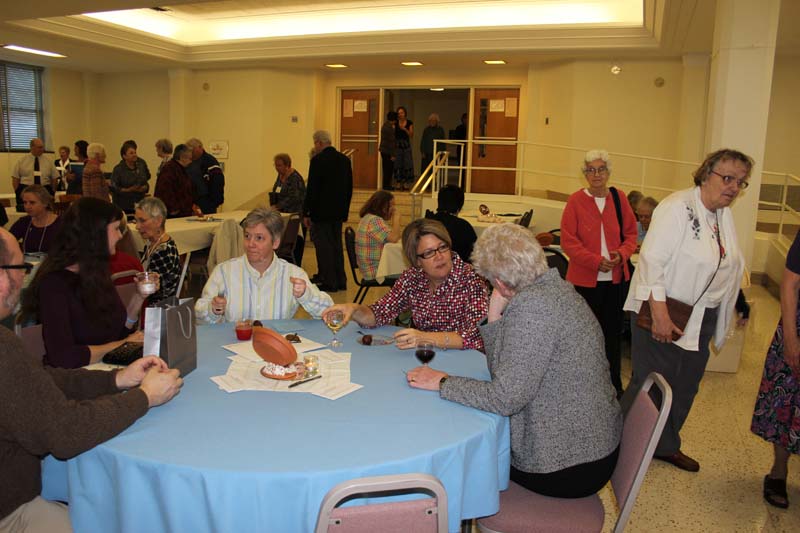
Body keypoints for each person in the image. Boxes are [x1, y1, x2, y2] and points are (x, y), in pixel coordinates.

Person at [406, 224, 621, 498]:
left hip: (568, 464)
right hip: (591, 444)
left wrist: (443, 382)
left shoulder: (532, 308)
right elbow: (504, 373)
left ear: (500, 282)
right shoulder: (557, 288)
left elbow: (504, 399)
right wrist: (494, 316)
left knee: (462, 461)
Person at [0, 226, 183, 532]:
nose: (23, 276)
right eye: (21, 267)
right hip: (11, 510)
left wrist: (116, 380)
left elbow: (37, 380)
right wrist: (144, 397)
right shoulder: (5, 345)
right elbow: (65, 432)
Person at [622, 148, 750, 472]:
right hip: (665, 309)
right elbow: (651, 261)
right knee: (651, 383)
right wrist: (660, 314)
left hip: (702, 315)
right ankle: (616, 442)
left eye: (740, 182)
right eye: (728, 178)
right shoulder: (677, 207)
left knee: (686, 384)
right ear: (706, 174)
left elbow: (727, 265)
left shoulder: (723, 215)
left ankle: (665, 445)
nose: (734, 187)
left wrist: (736, 305)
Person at [21, 198, 150, 368]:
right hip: (74, 377)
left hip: (102, 368)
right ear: (96, 233)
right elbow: (63, 357)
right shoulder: (54, 284)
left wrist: (139, 297)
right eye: (116, 228)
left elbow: (118, 332)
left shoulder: (95, 273)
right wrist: (123, 344)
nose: (120, 235)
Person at [322, 218, 488, 351]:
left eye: (443, 247)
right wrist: (354, 309)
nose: (439, 256)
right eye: (429, 253)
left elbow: (477, 336)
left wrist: (425, 337)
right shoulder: (413, 278)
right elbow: (380, 312)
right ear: (416, 260)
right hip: (425, 355)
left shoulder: (471, 279)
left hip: (463, 358)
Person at [561, 149, 637, 396]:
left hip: (615, 281)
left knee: (612, 336)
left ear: (608, 172)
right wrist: (595, 261)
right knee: (584, 336)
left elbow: (631, 235)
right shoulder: (575, 201)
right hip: (584, 281)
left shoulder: (619, 198)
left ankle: (613, 387)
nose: (596, 174)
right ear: (585, 174)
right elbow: (568, 242)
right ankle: (582, 388)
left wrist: (621, 255)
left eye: (601, 169)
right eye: (591, 170)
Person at [196, 207, 333, 323]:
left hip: (276, 343)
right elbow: (199, 316)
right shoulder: (224, 272)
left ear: (275, 242)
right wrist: (212, 309)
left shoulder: (293, 275)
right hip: (236, 343)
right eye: (247, 236)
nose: (251, 244)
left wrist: (306, 295)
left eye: (259, 238)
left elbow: (329, 312)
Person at [753, 231, 800, 508]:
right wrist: (791, 339)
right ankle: (779, 472)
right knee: (785, 402)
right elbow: (790, 282)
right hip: (797, 328)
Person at [303, 130, 353, 292]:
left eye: (315, 143)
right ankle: (341, 280)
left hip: (321, 212)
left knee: (325, 247)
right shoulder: (344, 160)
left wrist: (307, 212)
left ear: (319, 143)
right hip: (338, 212)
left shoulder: (317, 161)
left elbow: (312, 189)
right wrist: (345, 210)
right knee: (337, 246)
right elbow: (349, 188)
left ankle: (330, 282)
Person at [134, 197, 181, 302]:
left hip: (157, 307)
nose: (137, 226)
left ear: (158, 221)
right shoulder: (152, 243)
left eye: (142, 221)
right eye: (136, 221)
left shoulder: (163, 252)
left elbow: (154, 292)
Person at [270, 153, 306, 265]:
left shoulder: (295, 178)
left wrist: (279, 206)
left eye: (279, 165)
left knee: (294, 242)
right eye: (275, 165)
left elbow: (295, 197)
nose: (277, 168)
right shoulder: (280, 176)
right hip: (282, 214)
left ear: (287, 165)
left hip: (294, 214)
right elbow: (277, 190)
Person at [355, 190, 401, 280]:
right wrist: (396, 219)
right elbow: (394, 238)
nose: (393, 209)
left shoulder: (368, 217)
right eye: (391, 205)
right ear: (383, 206)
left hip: (370, 268)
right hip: (375, 270)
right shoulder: (374, 221)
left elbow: (391, 236)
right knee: (412, 273)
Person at [427, 184, 477, 263]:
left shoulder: (427, 223)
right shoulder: (463, 227)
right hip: (458, 269)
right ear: (459, 206)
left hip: (429, 269)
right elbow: (475, 255)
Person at [9, 185, 63, 255]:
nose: (27, 206)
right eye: (25, 202)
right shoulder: (24, 222)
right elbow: (7, 241)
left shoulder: (61, 223)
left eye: (32, 202)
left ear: (45, 203)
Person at [11, 138, 59, 211]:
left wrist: (52, 192)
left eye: (42, 147)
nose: (42, 149)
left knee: (44, 211)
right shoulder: (22, 160)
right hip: (26, 189)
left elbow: (54, 178)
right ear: (32, 147)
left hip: (44, 189)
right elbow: (15, 178)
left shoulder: (49, 161)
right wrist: (18, 192)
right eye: (39, 147)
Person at [154, 143, 195, 218]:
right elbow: (165, 190)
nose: (191, 161)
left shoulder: (181, 169)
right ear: (182, 157)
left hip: (183, 211)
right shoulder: (169, 169)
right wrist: (173, 208)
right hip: (173, 213)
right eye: (190, 159)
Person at [185, 138, 225, 214]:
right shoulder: (188, 162)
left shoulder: (210, 161)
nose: (190, 152)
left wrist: (214, 202)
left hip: (207, 202)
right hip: (191, 202)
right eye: (189, 150)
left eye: (192, 150)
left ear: (200, 147)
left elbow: (218, 182)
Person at [111, 140, 151, 214]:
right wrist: (128, 190)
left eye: (135, 152)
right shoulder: (118, 169)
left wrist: (145, 187)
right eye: (131, 153)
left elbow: (146, 179)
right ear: (124, 156)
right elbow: (114, 187)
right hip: (124, 205)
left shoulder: (141, 165)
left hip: (140, 204)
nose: (134, 155)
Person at [393, 106, 414, 190]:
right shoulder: (395, 123)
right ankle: (398, 182)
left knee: (407, 164)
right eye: (399, 113)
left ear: (405, 113)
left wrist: (405, 129)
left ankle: (406, 183)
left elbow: (411, 135)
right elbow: (392, 135)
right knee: (398, 164)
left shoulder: (409, 122)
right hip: (397, 146)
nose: (400, 114)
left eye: (402, 112)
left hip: (406, 146)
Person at [379, 111, 397, 190]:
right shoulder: (389, 128)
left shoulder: (385, 125)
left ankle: (386, 185)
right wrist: (393, 154)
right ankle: (386, 186)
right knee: (388, 169)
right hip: (388, 151)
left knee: (386, 169)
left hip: (384, 150)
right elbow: (391, 141)